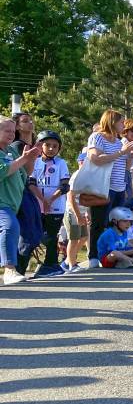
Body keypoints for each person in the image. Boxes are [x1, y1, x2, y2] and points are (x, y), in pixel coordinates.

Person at [86, 110, 133, 267]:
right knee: (99, 223)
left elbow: (126, 167)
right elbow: (95, 158)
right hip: (103, 188)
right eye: (121, 122)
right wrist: (121, 152)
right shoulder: (97, 137)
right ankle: (94, 257)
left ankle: (114, 254)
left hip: (119, 188)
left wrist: (130, 155)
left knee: (117, 224)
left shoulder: (118, 142)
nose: (123, 125)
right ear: (111, 122)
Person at [1, 116, 42, 285]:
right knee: (10, 227)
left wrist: (30, 159)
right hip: (2, 204)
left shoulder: (10, 151)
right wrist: (23, 159)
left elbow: (24, 174)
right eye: (6, 131)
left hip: (13, 204)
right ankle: (10, 270)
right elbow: (2, 172)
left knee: (17, 231)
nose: (11, 134)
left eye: (13, 131)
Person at [29, 130, 71, 277]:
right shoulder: (34, 161)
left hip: (56, 206)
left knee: (51, 236)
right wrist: (42, 200)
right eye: (47, 145)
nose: (51, 148)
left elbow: (65, 185)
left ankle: (51, 264)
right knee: (37, 234)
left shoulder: (61, 163)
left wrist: (50, 200)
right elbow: (31, 182)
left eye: (55, 146)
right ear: (40, 146)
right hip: (38, 204)